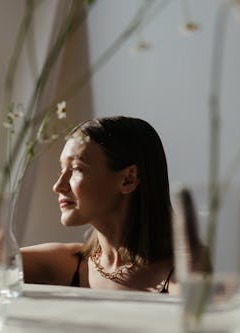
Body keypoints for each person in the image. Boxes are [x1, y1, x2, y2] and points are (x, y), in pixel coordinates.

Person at [21, 116, 177, 294]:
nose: (58, 186)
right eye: (61, 169)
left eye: (77, 169)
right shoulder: (69, 264)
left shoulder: (181, 275)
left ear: (128, 179)